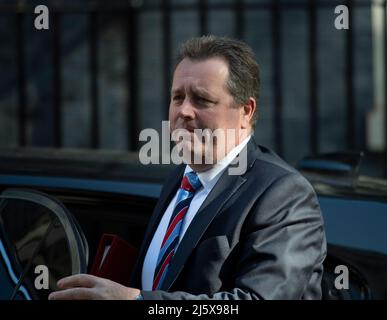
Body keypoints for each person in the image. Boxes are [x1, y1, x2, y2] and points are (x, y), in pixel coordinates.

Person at [48, 35, 327, 300]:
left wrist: (135, 299)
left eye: (202, 100)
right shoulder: (179, 180)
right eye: (177, 97)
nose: (184, 111)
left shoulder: (283, 193)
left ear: (246, 111)